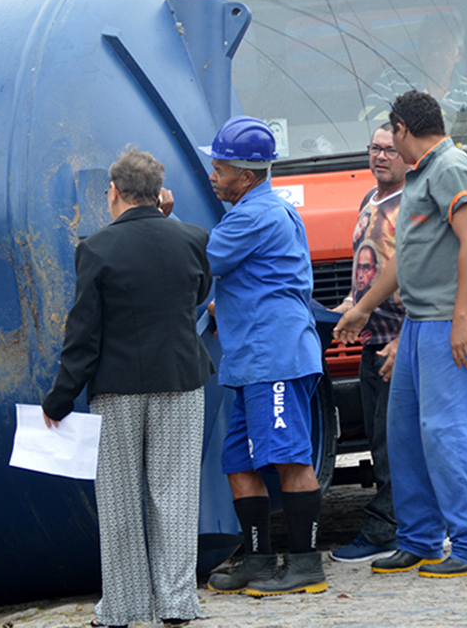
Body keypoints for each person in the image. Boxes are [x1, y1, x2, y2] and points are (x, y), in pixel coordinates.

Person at [41, 148, 212, 628]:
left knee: (118, 499)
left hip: (116, 388)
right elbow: (197, 296)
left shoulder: (95, 249)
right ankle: (177, 605)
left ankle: (121, 607)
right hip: (180, 381)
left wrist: (61, 394)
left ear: (113, 192)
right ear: (160, 193)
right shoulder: (192, 239)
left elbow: (83, 334)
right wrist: (170, 220)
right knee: (175, 495)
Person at [335, 90, 467, 579]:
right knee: (405, 435)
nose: (390, 148)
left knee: (450, 435)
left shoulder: (451, 167)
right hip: (420, 326)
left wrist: (462, 318)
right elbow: (404, 261)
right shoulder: (420, 175)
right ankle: (420, 540)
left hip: (452, 324)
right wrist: (362, 309)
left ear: (403, 129)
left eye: (393, 138)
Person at [198, 116, 328, 598]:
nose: (213, 175)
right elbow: (262, 278)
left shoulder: (255, 216)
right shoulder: (264, 209)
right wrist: (226, 304)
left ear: (247, 176)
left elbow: (200, 263)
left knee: (289, 457)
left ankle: (305, 563)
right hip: (252, 357)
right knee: (239, 461)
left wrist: (157, 221)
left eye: (220, 168)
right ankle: (257, 559)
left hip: (273, 355)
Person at [329, 124, 408, 564]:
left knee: (394, 441)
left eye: (390, 149)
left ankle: (389, 530)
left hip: (398, 337)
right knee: (381, 438)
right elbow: (367, 259)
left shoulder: (414, 200)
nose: (380, 156)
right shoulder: (369, 199)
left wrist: (405, 335)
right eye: (374, 148)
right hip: (369, 335)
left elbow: (420, 268)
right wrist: (350, 302)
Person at [363, 14, 467, 134]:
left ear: (459, 53)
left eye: (442, 46)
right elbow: (368, 125)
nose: (434, 53)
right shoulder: (391, 81)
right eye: (427, 46)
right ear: (419, 48)